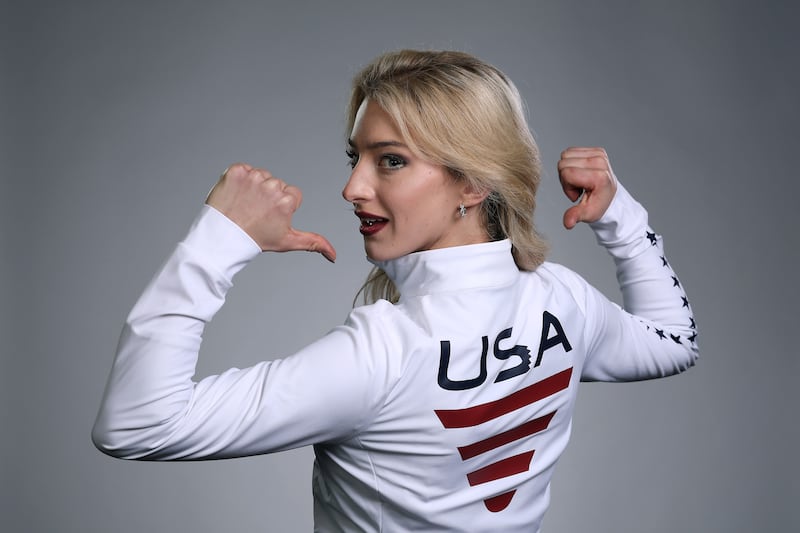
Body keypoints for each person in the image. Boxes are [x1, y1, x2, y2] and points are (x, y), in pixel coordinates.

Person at [93, 50, 698, 532]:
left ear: (471, 183)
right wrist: (622, 218)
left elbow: (138, 425)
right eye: (357, 157)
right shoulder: (562, 299)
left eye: (390, 161)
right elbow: (675, 342)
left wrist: (218, 241)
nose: (351, 187)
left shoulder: (382, 355)